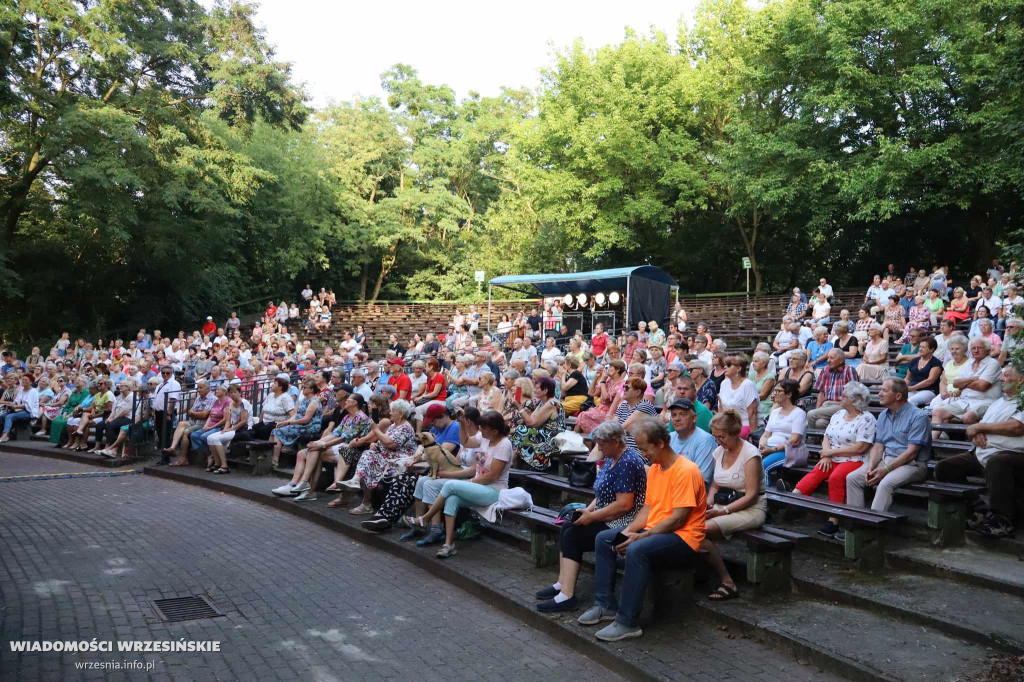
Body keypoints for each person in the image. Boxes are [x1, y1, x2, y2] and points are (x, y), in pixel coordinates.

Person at [581, 418, 705, 641]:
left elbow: (678, 519)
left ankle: (627, 622)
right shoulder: (656, 470)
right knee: (604, 539)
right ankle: (605, 604)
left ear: (659, 443)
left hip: (683, 537)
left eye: (645, 448)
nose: (643, 454)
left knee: (637, 550)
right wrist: (629, 531)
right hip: (657, 531)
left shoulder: (686, 470)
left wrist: (642, 536)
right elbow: (647, 509)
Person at [535, 421, 647, 613]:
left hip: (621, 521)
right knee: (568, 526)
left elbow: (624, 504)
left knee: (573, 536)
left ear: (616, 441)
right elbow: (601, 494)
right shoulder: (612, 458)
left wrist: (592, 517)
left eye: (602, 444)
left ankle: (567, 596)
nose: (600, 448)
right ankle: (562, 583)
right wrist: (586, 512)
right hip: (605, 515)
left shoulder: (628, 461)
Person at [405, 410, 512, 558]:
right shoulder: (485, 438)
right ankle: (449, 544)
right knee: (451, 498)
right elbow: (466, 442)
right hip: (478, 486)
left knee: (451, 486)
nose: (480, 430)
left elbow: (492, 476)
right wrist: (461, 423)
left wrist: (470, 482)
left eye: (483, 428)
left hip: (494, 490)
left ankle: (426, 518)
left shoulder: (504, 445)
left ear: (495, 431)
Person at [934, 366, 1024, 538]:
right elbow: (980, 427)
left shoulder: (1023, 399)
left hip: (1012, 455)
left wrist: (979, 427)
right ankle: (978, 510)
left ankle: (1003, 520)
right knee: (944, 468)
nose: (1002, 379)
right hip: (983, 452)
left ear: (1020, 380)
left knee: (998, 462)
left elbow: (1017, 427)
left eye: (1006, 376)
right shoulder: (1000, 401)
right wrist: (976, 433)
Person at [792, 381, 875, 537]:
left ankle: (833, 520)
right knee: (817, 471)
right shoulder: (838, 414)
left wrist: (829, 453)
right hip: (833, 456)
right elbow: (826, 436)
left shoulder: (867, 419)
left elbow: (860, 447)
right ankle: (793, 498)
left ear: (855, 400)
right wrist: (827, 452)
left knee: (836, 477)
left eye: (844, 396)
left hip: (855, 459)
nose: (839, 398)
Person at [702, 410, 766, 601]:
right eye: (715, 437)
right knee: (686, 525)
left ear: (734, 433)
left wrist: (723, 511)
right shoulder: (718, 451)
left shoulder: (750, 454)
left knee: (698, 531)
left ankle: (727, 582)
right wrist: (709, 501)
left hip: (751, 508)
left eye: (721, 437)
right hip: (723, 504)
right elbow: (715, 484)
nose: (718, 441)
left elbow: (752, 495)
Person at [846, 378, 931, 514]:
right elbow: (878, 445)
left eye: (884, 390)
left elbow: (912, 453)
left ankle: (872, 526)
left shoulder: (919, 416)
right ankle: (856, 523)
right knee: (853, 478)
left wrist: (885, 470)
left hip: (912, 464)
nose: (879, 393)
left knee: (886, 483)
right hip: (886, 460)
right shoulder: (883, 416)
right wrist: (871, 466)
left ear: (898, 396)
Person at [345, 399, 417, 514]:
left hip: (397, 462)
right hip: (385, 458)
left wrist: (375, 428)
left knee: (368, 461)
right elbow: (383, 442)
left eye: (393, 411)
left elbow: (390, 443)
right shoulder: (394, 426)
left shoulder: (406, 427)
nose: (390, 413)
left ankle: (366, 503)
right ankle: (356, 483)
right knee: (368, 455)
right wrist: (375, 444)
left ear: (401, 414)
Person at [930, 337, 1002, 435]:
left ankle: (976, 445)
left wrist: (964, 384)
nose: (976, 350)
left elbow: (982, 386)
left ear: (987, 351)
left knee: (968, 417)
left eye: (979, 348)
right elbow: (956, 383)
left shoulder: (993, 364)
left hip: (984, 402)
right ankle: (932, 443)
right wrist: (973, 379)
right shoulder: (970, 363)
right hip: (965, 401)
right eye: (973, 348)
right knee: (938, 412)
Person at [758, 379, 808, 487]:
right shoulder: (775, 412)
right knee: (750, 462)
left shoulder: (799, 414)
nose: (774, 394)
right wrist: (762, 445)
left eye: (778, 391)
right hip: (770, 449)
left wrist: (772, 450)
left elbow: (795, 440)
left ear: (788, 394)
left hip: (789, 452)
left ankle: (765, 499)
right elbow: (766, 434)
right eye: (774, 390)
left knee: (762, 467)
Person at [509, 376, 564, 470]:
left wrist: (519, 408)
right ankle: (512, 464)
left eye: (537, 388)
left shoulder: (551, 404)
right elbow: (530, 419)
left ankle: (511, 464)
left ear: (545, 390)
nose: (534, 390)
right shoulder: (542, 403)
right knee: (517, 432)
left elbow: (532, 423)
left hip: (552, 437)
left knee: (520, 432)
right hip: (541, 433)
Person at [269, 378, 323, 468]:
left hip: (309, 426)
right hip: (299, 424)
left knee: (277, 432)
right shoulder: (303, 400)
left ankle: (275, 460)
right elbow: (295, 415)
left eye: (305, 387)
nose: (303, 388)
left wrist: (289, 423)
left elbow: (306, 419)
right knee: (275, 430)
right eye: (303, 387)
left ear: (312, 389)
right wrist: (285, 422)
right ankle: (270, 457)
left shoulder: (314, 401)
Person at [667, 398, 716, 486]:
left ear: (694, 418)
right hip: (670, 487)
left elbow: (700, 480)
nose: (677, 419)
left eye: (683, 414)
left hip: (691, 493)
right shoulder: (669, 437)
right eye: (673, 415)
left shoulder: (705, 440)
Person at [808, 349, 860, 428]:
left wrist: (816, 412)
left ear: (840, 360)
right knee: (820, 423)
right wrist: (818, 409)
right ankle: (825, 439)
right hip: (826, 405)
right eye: (828, 358)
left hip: (841, 405)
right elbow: (821, 393)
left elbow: (855, 394)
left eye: (831, 358)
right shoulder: (825, 370)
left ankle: (811, 438)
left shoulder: (849, 370)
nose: (828, 360)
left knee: (811, 414)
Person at [205, 384, 250, 474]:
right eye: (231, 392)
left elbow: (243, 421)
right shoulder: (231, 404)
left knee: (217, 439)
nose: (233, 394)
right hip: (232, 428)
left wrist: (230, 429)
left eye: (235, 392)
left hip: (242, 430)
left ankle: (224, 466)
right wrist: (225, 429)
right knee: (209, 438)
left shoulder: (243, 403)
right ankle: (217, 463)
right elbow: (228, 420)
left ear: (239, 393)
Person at [575, 360, 626, 434]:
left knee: (583, 416)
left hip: (611, 413)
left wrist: (602, 381)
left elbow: (605, 399)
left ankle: (578, 441)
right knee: (582, 418)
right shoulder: (608, 380)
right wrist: (596, 378)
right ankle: (577, 441)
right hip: (600, 409)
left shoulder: (621, 384)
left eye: (611, 367)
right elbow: (591, 393)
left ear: (618, 370)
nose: (608, 369)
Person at [718, 354, 759, 438]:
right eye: (725, 365)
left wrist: (753, 436)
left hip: (744, 424)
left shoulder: (748, 385)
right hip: (727, 425)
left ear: (739, 368)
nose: (725, 367)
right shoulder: (724, 383)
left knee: (729, 437)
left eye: (729, 365)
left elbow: (752, 413)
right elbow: (721, 409)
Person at [0, 374, 40, 443]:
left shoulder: (33, 391)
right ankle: (7, 432)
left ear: (30, 382)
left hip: (29, 412)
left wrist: (15, 406)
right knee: (2, 416)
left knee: (9, 417)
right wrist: (11, 404)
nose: (23, 381)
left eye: (26, 380)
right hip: (20, 410)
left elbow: (28, 405)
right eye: (23, 379)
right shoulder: (22, 390)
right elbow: (16, 401)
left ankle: (5, 436)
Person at [906, 337, 943, 407]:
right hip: (912, 389)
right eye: (920, 346)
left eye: (923, 347)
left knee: (911, 400)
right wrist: (903, 386)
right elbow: (907, 378)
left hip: (929, 391)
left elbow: (930, 380)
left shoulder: (936, 363)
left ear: (931, 349)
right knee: (897, 398)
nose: (920, 349)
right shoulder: (914, 361)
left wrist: (913, 388)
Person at [151, 366, 180, 449]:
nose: (165, 374)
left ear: (171, 373)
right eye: (163, 372)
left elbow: (172, 399)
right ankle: (163, 454)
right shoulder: (161, 384)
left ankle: (166, 456)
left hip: (166, 412)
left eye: (168, 373)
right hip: (159, 411)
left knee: (166, 434)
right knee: (160, 433)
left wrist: (169, 414)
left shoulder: (174, 384)